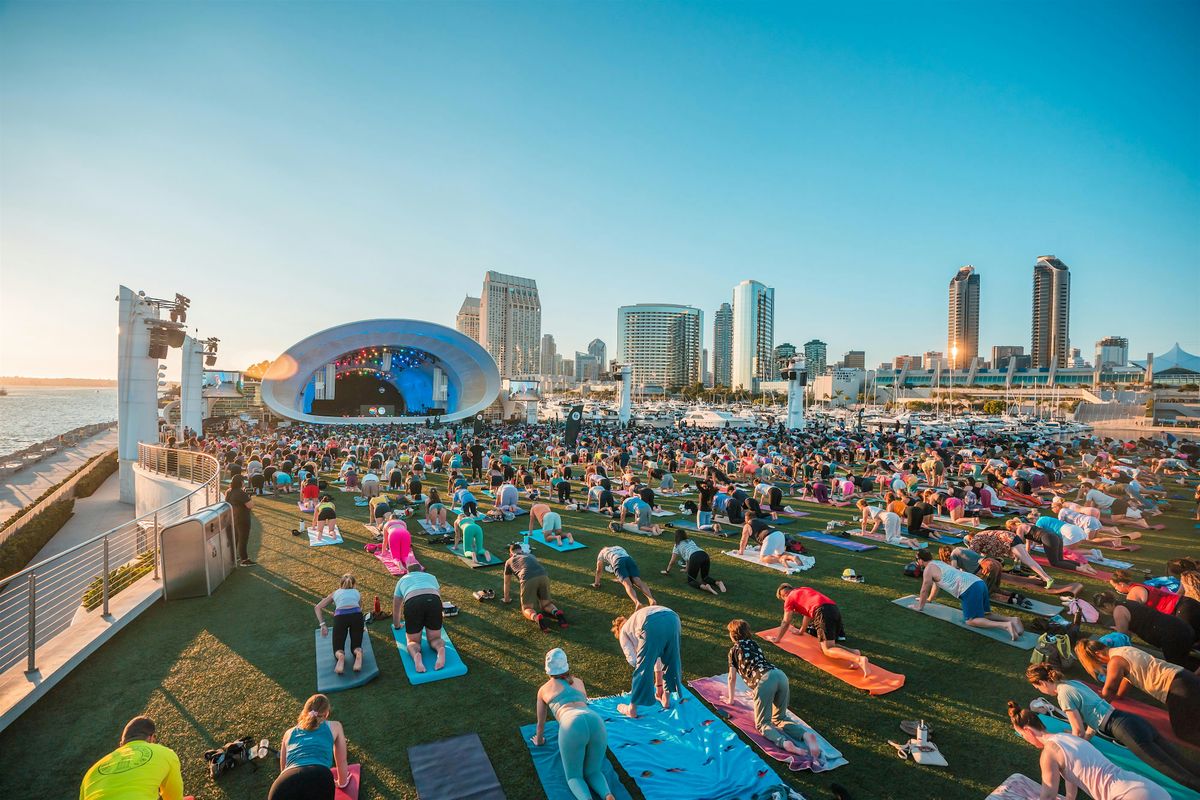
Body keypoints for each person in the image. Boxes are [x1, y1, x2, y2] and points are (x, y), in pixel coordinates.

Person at [1025, 662, 1200, 791]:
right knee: (1180, 761)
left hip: (1124, 729)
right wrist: (1086, 736)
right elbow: (1095, 712)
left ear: (1042, 683)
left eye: (1037, 687)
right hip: (1131, 720)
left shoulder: (1063, 695)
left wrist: (1066, 742)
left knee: (1173, 771)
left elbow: (1076, 729)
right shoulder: (1073, 684)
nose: (1040, 691)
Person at [1006, 700, 1171, 800]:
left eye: (1022, 735)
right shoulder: (1070, 737)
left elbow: (1048, 796)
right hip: (1148, 788)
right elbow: (1072, 778)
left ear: (1028, 730)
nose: (1025, 739)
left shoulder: (1048, 754)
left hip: (1125, 795)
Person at [725, 619, 825, 764]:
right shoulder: (755, 644)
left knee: (763, 724)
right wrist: (757, 691)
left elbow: (731, 677)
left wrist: (730, 699)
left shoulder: (733, 650)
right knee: (780, 717)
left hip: (765, 681)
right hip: (779, 675)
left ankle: (784, 743)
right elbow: (757, 664)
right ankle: (806, 736)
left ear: (733, 636)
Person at [1076, 640, 1200, 748]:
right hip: (1185, 677)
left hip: (1177, 688)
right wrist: (1119, 696)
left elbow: (1105, 697)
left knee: (1184, 732)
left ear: (1098, 654)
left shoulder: (1115, 662)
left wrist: (1088, 733)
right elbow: (1127, 678)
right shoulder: (1123, 650)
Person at [530, 648, 615, 800]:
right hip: (595, 720)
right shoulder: (579, 682)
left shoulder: (543, 690)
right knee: (594, 771)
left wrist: (540, 740)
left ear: (548, 670)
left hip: (571, 724)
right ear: (566, 666)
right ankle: (608, 795)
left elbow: (540, 724)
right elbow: (583, 706)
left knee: (574, 777)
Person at [913, 549, 1025, 641]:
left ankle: (1006, 625)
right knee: (985, 614)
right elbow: (936, 585)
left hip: (969, 588)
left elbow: (924, 589)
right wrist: (929, 599)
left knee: (971, 620)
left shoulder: (928, 569)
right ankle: (1013, 619)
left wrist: (920, 607)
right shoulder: (938, 563)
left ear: (920, 560)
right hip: (978, 582)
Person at [770, 584, 869, 676]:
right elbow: (807, 615)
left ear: (784, 595)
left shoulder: (789, 599)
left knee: (827, 649)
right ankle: (854, 652)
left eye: (782, 599)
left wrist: (777, 639)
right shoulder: (803, 589)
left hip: (822, 612)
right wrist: (801, 631)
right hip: (834, 609)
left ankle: (859, 659)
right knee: (831, 644)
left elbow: (785, 622)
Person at [80, 716, 185, 800]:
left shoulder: (91, 771)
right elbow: (174, 797)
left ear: (121, 744)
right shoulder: (165, 753)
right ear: (151, 738)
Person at [270, 694, 351, 800]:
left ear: (305, 712)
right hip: (319, 776)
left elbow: (284, 768)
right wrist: (342, 783)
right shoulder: (335, 726)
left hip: (281, 786)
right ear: (326, 714)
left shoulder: (288, 733)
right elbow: (341, 761)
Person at [1091, 592, 1197, 670]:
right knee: (1183, 658)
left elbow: (1122, 637)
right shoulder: (1127, 602)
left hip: (1172, 635)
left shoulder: (1118, 611)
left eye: (1102, 610)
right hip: (1180, 627)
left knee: (1178, 667)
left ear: (1105, 606)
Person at [612, 605, 682, 718]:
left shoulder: (624, 632)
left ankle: (632, 709)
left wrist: (644, 664)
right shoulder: (635, 622)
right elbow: (659, 655)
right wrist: (658, 685)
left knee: (642, 668)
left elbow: (633, 660)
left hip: (652, 621)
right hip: (673, 618)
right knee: (671, 661)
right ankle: (666, 700)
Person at [391, 566, 446, 673]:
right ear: (421, 570)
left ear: (407, 572)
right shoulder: (431, 577)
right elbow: (438, 596)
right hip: (434, 601)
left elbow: (396, 606)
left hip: (413, 602)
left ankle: (416, 655)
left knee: (413, 641)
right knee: (435, 638)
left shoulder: (402, 580)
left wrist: (397, 625)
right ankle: (440, 649)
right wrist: (440, 612)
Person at [504, 544, 568, 632]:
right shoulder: (531, 555)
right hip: (543, 576)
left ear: (511, 554)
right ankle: (557, 613)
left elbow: (507, 582)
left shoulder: (509, 561)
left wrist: (506, 599)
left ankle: (537, 617)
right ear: (521, 551)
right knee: (546, 605)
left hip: (527, 578)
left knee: (526, 608)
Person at [1005, 518, 1099, 577]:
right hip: (1056, 536)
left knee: (1054, 563)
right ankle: (1081, 565)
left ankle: (1080, 568)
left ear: (1013, 525)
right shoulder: (1028, 525)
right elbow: (1028, 542)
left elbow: (1019, 543)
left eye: (1010, 529)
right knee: (1060, 559)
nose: (1011, 531)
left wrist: (1014, 553)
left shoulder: (1019, 528)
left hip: (1048, 538)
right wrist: (1027, 552)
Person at [315, 574, 365, 675]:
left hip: (340, 618)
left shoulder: (335, 593)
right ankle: (358, 653)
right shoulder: (357, 592)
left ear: (340, 585)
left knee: (338, 648)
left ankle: (341, 656)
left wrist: (323, 625)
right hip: (357, 616)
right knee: (356, 646)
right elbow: (359, 609)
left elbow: (317, 607)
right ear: (354, 584)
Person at [661, 529, 725, 594]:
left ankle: (706, 587)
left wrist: (667, 571)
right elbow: (687, 558)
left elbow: (672, 561)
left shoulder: (677, 545)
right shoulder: (690, 541)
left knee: (691, 581)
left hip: (695, 557)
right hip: (704, 555)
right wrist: (686, 569)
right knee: (705, 577)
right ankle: (718, 583)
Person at [737, 517, 808, 574]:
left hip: (770, 537)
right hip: (779, 534)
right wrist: (762, 548)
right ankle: (793, 557)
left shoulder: (747, 525)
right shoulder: (759, 522)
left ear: (746, 519)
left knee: (763, 558)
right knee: (780, 553)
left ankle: (780, 560)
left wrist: (741, 551)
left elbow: (743, 540)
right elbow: (762, 534)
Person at [1107, 572, 1181, 615]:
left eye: (1115, 586)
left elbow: (1134, 616)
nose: (1115, 589)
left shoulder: (1133, 595)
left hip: (1175, 609)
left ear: (1121, 584)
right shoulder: (1139, 585)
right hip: (1180, 601)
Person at [225, 474, 255, 566]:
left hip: (232, 518)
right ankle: (244, 559)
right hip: (242, 518)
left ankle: (233, 558)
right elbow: (250, 505)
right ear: (241, 482)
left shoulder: (229, 491)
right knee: (243, 539)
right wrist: (248, 496)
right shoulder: (240, 492)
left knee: (235, 539)